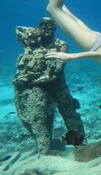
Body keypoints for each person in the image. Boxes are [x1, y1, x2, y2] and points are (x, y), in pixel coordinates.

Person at [13, 17, 85, 155]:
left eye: (50, 25)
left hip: (59, 88)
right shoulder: (33, 44)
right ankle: (48, 146)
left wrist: (28, 79)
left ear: (55, 28)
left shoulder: (60, 45)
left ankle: (80, 146)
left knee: (71, 115)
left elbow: (55, 72)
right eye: (43, 25)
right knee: (41, 119)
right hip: (39, 89)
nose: (46, 28)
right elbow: (19, 31)